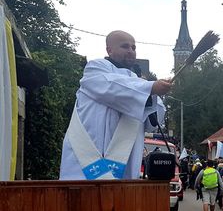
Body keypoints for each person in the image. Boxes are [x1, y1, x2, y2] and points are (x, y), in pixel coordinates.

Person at [59, 30, 171, 180]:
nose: (131, 51)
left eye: (133, 47)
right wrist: (150, 88)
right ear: (109, 50)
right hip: (86, 160)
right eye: (125, 46)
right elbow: (112, 87)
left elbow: (153, 120)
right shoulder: (95, 69)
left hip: (125, 166)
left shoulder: (138, 82)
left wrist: (153, 92)